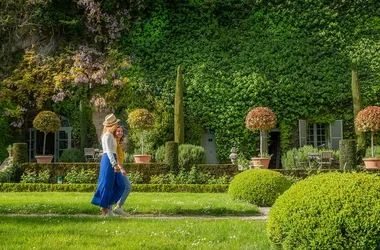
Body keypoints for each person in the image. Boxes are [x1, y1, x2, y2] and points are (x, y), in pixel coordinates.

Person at [91, 113, 126, 217]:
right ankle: (105, 210)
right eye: (116, 123)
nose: (117, 125)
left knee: (120, 184)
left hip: (112, 159)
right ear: (112, 125)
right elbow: (108, 151)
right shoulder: (107, 136)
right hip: (108, 160)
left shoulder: (111, 136)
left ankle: (108, 207)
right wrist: (114, 164)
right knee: (106, 185)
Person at [112, 125, 132, 216]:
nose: (120, 133)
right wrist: (121, 169)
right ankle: (117, 207)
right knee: (127, 186)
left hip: (118, 167)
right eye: (118, 131)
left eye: (121, 131)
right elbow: (115, 158)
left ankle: (113, 207)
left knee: (117, 187)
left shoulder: (119, 142)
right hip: (117, 168)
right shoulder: (114, 143)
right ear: (115, 132)